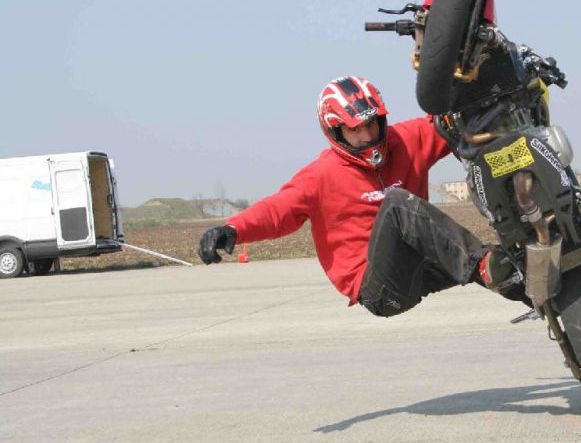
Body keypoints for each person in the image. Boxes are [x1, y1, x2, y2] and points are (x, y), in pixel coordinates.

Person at [197, 76, 526, 317]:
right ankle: (481, 263)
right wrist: (233, 229)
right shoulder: (320, 175)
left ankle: (544, 298)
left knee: (506, 264)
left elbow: (452, 124)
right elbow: (276, 210)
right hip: (380, 287)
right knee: (397, 204)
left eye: (372, 124)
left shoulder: (404, 140)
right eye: (355, 130)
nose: (368, 136)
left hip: (425, 265)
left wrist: (509, 92)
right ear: (335, 132)